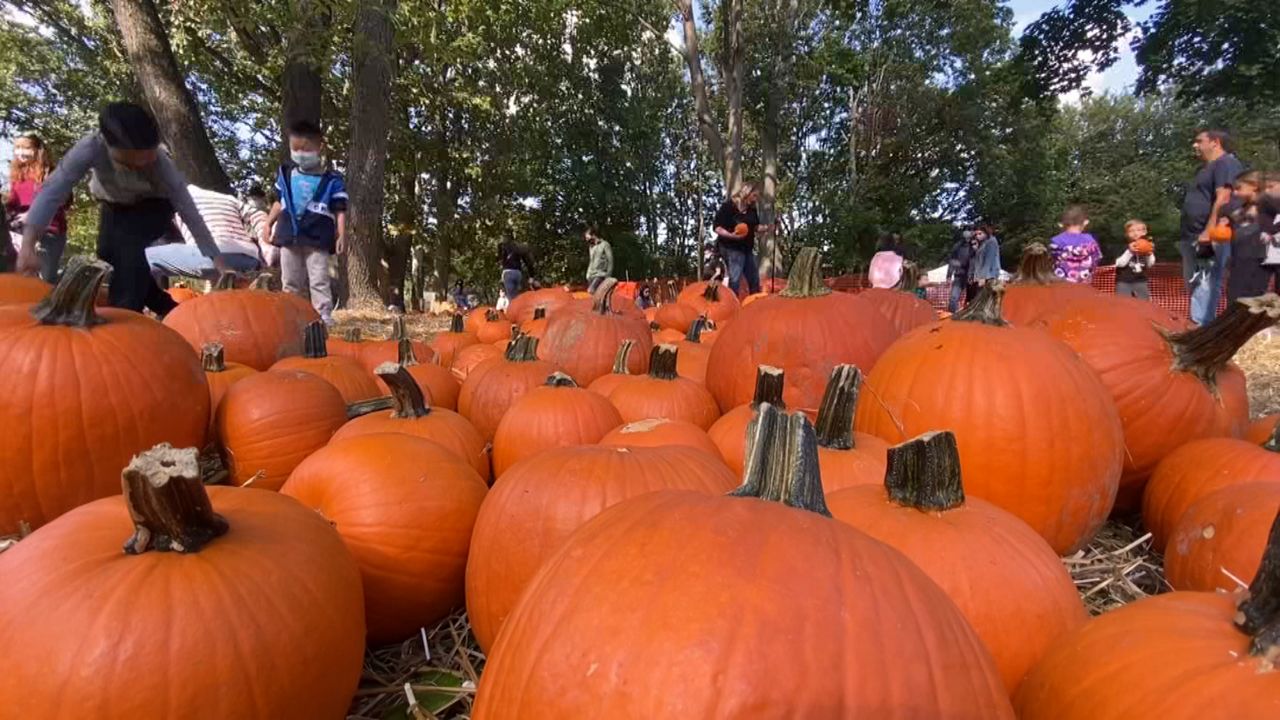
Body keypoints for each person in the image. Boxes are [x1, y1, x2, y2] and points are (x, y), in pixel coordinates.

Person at [18, 102, 226, 316]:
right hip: (114, 205)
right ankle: (169, 309)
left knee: (129, 249)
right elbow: (53, 191)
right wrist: (28, 246)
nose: (142, 165)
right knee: (108, 255)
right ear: (108, 145)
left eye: (148, 158)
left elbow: (189, 211)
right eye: (130, 162)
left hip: (155, 205)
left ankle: (126, 314)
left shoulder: (162, 165)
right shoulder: (91, 147)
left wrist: (218, 262)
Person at [261, 121, 348, 325]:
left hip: (317, 236)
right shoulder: (286, 175)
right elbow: (278, 201)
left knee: (319, 278)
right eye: (295, 149)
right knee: (290, 280)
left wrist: (341, 233)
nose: (300, 154)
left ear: (320, 148)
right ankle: (290, 314)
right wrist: (268, 222)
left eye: (306, 149)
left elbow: (340, 209)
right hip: (288, 234)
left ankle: (323, 315)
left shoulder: (333, 181)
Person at [1181, 129, 1244, 325]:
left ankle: (1201, 327)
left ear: (1215, 142)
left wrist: (1209, 231)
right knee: (1195, 282)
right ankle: (1196, 324)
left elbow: (1223, 198)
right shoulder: (1203, 169)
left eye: (1199, 141)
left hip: (1211, 235)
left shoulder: (1226, 163)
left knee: (1207, 282)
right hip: (1191, 234)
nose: (1195, 145)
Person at [145, 183, 266, 280]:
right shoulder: (226, 198)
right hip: (251, 260)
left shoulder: (175, 201)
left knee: (144, 257)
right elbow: (258, 214)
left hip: (214, 259)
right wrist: (265, 246)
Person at [6, 132, 70, 282]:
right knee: (19, 276)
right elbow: (13, 202)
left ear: (37, 150)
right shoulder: (17, 175)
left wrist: (32, 214)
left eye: (26, 148)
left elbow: (60, 200)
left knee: (45, 279)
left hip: (49, 232)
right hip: (20, 232)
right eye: (17, 148)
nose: (20, 152)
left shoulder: (52, 173)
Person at [1225, 171, 1276, 301]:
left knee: (1250, 300)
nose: (1235, 193)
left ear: (1254, 186)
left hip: (1257, 260)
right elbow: (1234, 223)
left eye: (1238, 188)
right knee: (1233, 297)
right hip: (1238, 259)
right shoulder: (1241, 209)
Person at [712, 182, 768, 297]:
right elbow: (717, 227)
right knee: (735, 279)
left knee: (754, 278)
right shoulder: (729, 207)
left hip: (746, 248)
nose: (755, 199)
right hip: (731, 247)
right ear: (746, 193)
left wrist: (769, 227)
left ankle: (756, 305)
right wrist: (731, 235)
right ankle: (733, 305)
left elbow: (755, 227)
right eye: (754, 196)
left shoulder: (751, 209)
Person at [1049, 205, 1102, 284]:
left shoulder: (1055, 241)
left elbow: (1050, 263)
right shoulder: (1090, 240)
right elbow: (1097, 259)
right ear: (1083, 222)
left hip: (1061, 285)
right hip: (1083, 285)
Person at [1114, 219, 1156, 300]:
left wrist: (1149, 254)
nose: (1135, 233)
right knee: (1123, 304)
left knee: (1144, 304)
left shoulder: (1147, 245)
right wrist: (1130, 252)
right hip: (1124, 281)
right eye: (1131, 231)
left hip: (1141, 280)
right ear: (1127, 234)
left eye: (1139, 230)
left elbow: (1150, 264)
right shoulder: (1122, 246)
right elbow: (1119, 264)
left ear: (1145, 232)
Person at [498, 233, 536, 300]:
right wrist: (531, 276)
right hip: (518, 273)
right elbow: (528, 262)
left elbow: (500, 261)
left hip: (508, 273)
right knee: (522, 296)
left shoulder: (502, 246)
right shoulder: (518, 247)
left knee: (512, 299)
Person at [946, 229, 973, 312]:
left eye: (968, 238)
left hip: (972, 275)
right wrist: (949, 275)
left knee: (972, 298)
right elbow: (952, 261)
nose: (967, 240)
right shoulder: (957, 246)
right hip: (959, 275)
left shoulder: (974, 245)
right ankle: (952, 314)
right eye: (966, 238)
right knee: (953, 297)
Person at [970, 225, 1002, 294]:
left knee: (986, 298)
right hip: (983, 275)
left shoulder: (991, 241)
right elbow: (979, 261)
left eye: (980, 233)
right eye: (976, 234)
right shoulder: (983, 243)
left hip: (990, 275)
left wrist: (983, 277)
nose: (978, 236)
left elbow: (988, 261)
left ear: (986, 232)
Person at [584, 224, 613, 293]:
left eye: (587, 237)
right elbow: (591, 261)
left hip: (601, 274)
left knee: (591, 290)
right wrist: (588, 274)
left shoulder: (605, 244)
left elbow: (610, 260)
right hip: (591, 275)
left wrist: (608, 276)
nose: (586, 239)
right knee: (595, 296)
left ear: (593, 235)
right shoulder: (591, 247)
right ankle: (601, 303)